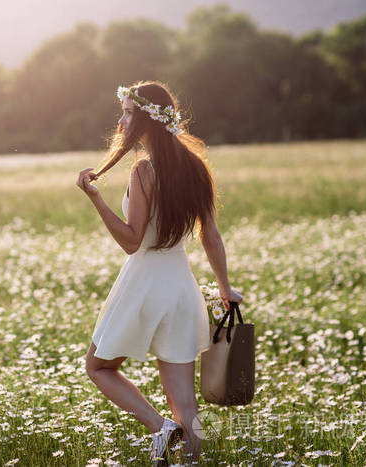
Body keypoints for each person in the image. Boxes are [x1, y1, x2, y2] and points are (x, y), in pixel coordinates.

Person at [75, 81, 243, 465]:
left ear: (148, 120)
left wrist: (97, 200)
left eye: (129, 112)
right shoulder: (196, 168)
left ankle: (160, 428)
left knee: (98, 367)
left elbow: (134, 242)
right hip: (182, 288)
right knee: (185, 399)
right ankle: (192, 460)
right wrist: (224, 287)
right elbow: (211, 236)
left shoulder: (144, 170)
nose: (122, 119)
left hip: (145, 284)